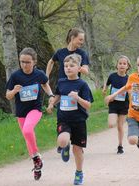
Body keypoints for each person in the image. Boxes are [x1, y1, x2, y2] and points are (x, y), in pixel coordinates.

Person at [5, 48, 56, 181]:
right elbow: (8, 95)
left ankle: (36, 157)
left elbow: (45, 84)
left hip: (35, 109)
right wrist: (14, 91)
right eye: (22, 62)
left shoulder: (38, 74)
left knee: (28, 130)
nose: (24, 65)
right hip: (21, 112)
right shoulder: (15, 76)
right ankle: (37, 163)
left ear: (34, 62)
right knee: (27, 137)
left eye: (27, 62)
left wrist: (50, 95)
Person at [47, 54, 93, 185]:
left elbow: (88, 105)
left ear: (79, 68)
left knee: (77, 150)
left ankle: (79, 173)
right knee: (62, 141)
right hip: (64, 119)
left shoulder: (82, 85)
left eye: (71, 66)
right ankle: (65, 145)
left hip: (79, 121)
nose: (68, 68)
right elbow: (58, 96)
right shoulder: (61, 82)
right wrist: (51, 104)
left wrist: (77, 98)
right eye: (66, 66)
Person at [46, 28, 90, 153]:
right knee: (62, 114)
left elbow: (86, 70)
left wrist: (80, 68)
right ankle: (63, 142)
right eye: (80, 39)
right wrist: (46, 76)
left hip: (75, 87)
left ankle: (74, 139)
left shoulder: (82, 54)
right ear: (72, 38)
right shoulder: (60, 52)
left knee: (75, 113)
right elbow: (51, 61)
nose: (82, 42)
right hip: (62, 86)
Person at [102, 56, 131, 154]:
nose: (122, 65)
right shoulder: (112, 76)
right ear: (117, 65)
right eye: (120, 63)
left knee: (120, 126)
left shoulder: (129, 79)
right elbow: (107, 84)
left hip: (124, 105)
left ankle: (120, 146)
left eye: (124, 64)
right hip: (113, 104)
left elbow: (131, 92)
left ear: (128, 66)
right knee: (111, 124)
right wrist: (105, 90)